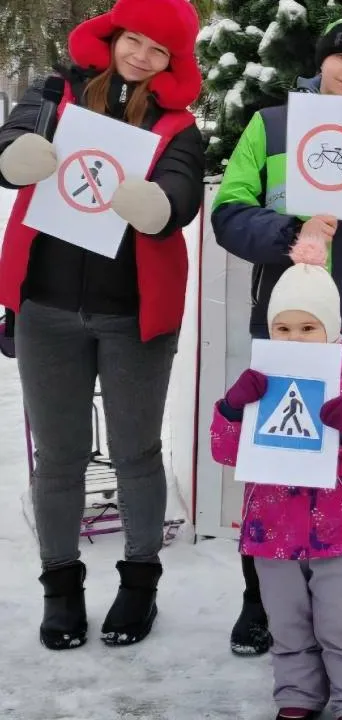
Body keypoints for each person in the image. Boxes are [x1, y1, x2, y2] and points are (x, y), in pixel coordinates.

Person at [211, 0, 342, 656]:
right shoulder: (271, 126)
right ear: (321, 61)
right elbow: (227, 211)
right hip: (287, 321)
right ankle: (261, 597)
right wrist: (287, 234)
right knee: (273, 456)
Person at [0, 0, 204, 650]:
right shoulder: (55, 93)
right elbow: (14, 136)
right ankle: (61, 590)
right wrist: (15, 152)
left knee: (136, 453)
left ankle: (139, 582)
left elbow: (184, 190)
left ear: (174, 62)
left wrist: (162, 204)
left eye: (158, 50)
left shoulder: (179, 126)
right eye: (134, 41)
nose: (141, 56)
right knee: (57, 459)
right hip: (47, 310)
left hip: (133, 315)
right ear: (113, 36)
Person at [211, 263, 342, 720]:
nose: (294, 338)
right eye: (284, 327)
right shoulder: (258, 384)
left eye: (308, 327)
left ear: (331, 328)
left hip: (341, 529)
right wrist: (233, 409)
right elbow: (226, 451)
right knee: (287, 622)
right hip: (271, 532)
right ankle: (297, 693)